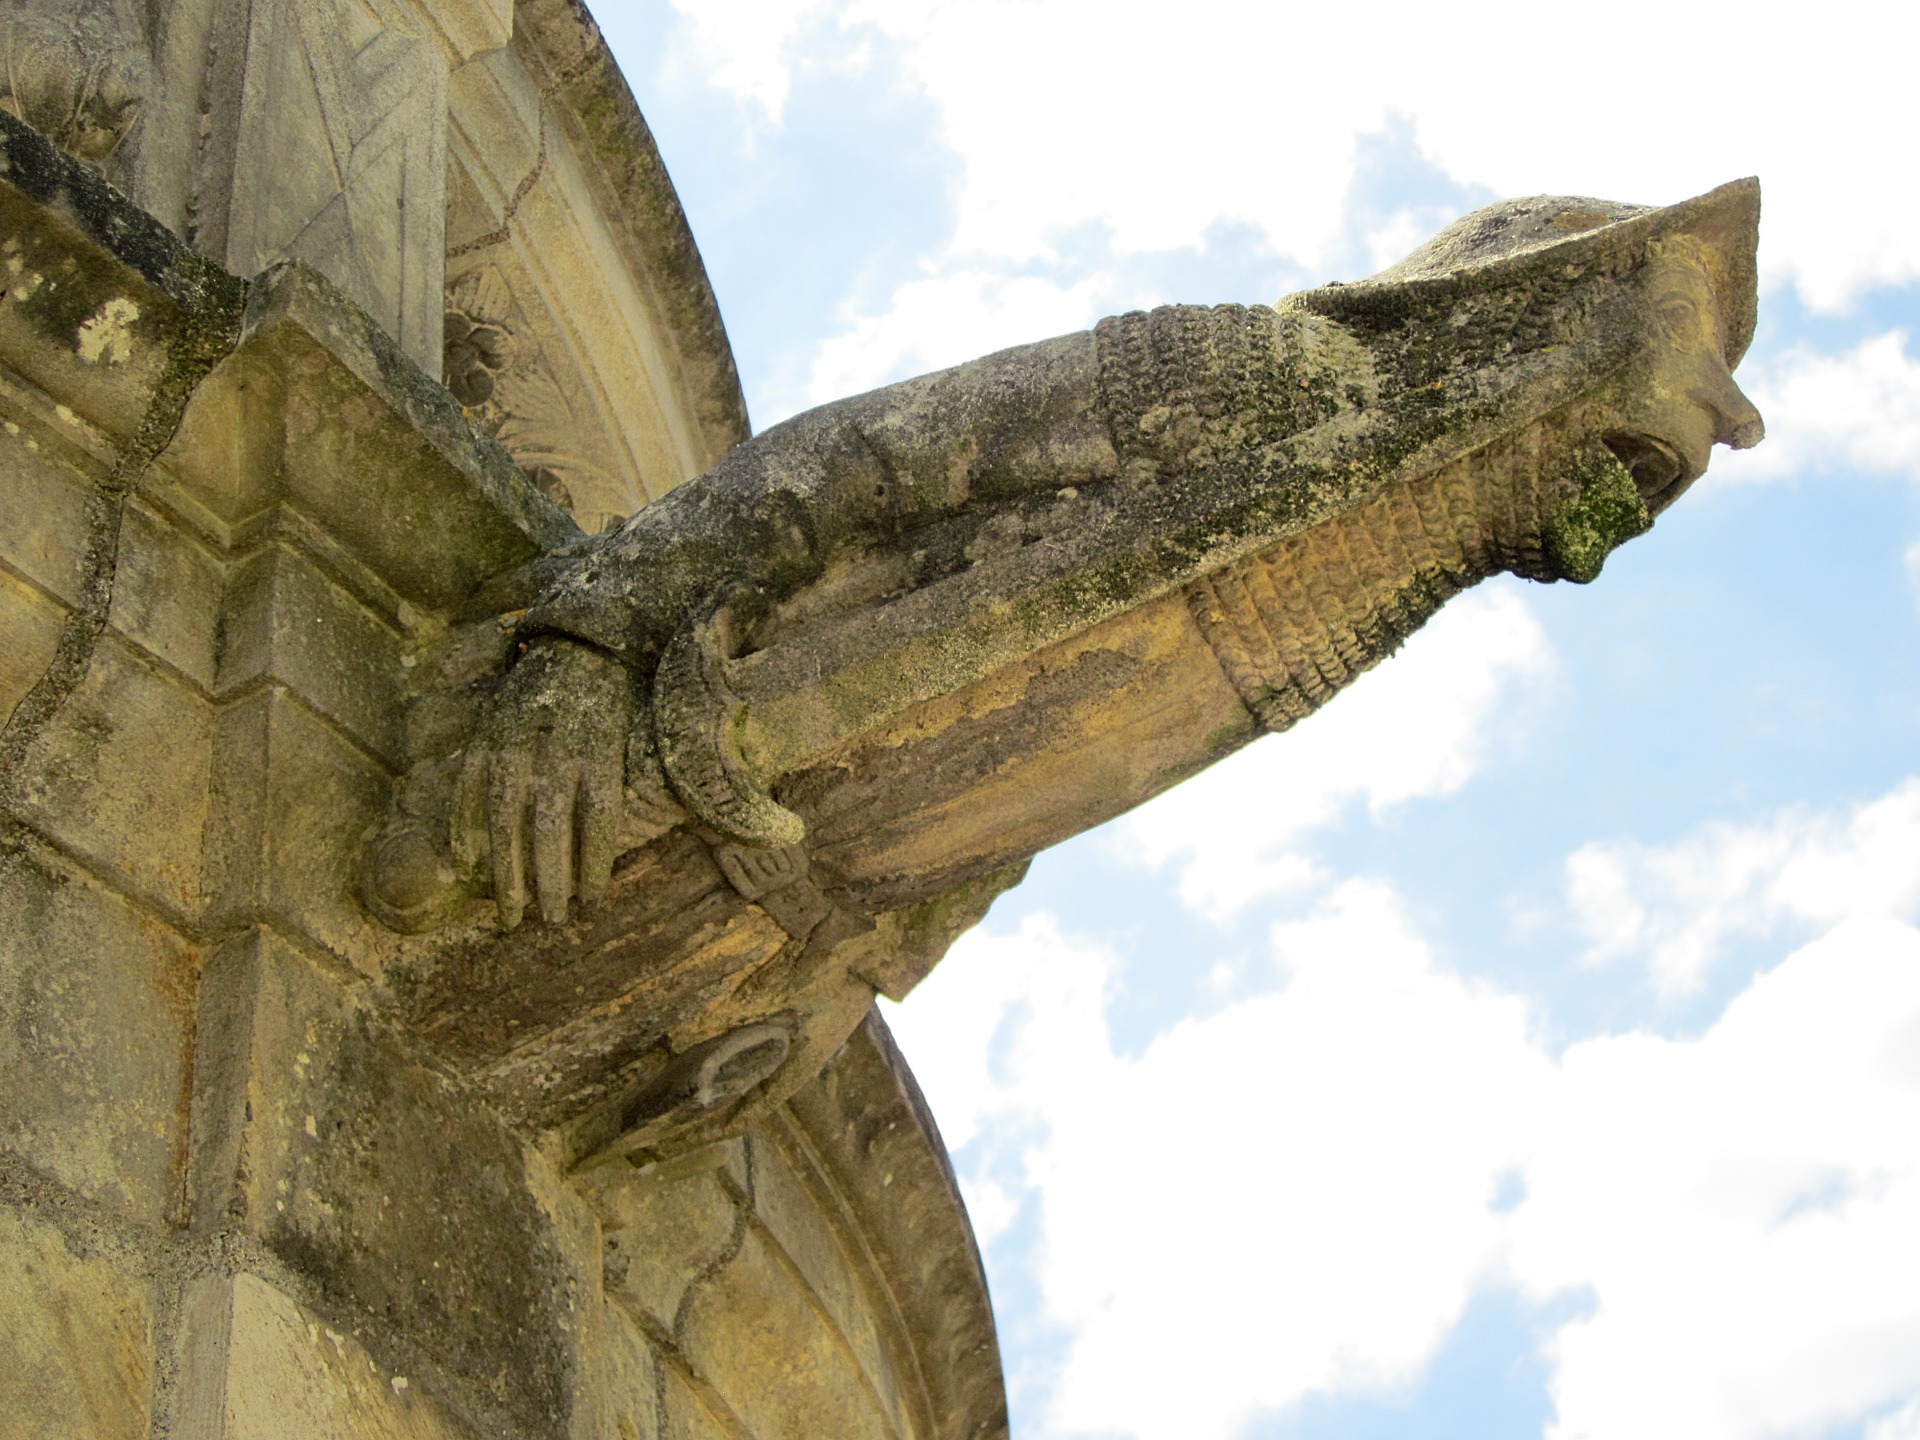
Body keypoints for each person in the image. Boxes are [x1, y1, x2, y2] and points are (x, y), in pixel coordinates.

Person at [373, 180, 1764, 933]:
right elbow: (875, 455)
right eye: (1691, 339)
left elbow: (1066, 736)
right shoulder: (1275, 381)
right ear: (1537, 319)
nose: (1731, 418)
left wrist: (868, 957)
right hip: (646, 760)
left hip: (764, 909)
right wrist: (584, 642)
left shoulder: (1384, 576)